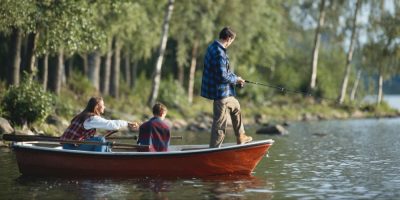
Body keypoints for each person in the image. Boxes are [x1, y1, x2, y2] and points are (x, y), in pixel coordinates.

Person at [201, 27, 253, 148]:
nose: (231, 43)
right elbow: (222, 77)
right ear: (229, 38)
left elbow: (226, 72)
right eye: (232, 40)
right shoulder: (219, 53)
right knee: (219, 125)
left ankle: (241, 136)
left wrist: (237, 78)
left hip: (224, 92)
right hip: (220, 93)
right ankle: (213, 150)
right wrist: (235, 80)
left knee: (236, 107)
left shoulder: (213, 47)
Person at [60, 97, 139, 152]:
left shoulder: (83, 115)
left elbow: (85, 137)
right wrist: (127, 123)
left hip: (69, 146)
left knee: (102, 141)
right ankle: (101, 160)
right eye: (103, 105)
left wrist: (106, 145)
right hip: (71, 147)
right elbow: (111, 125)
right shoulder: (91, 118)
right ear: (97, 106)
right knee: (100, 140)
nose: (104, 107)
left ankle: (107, 151)